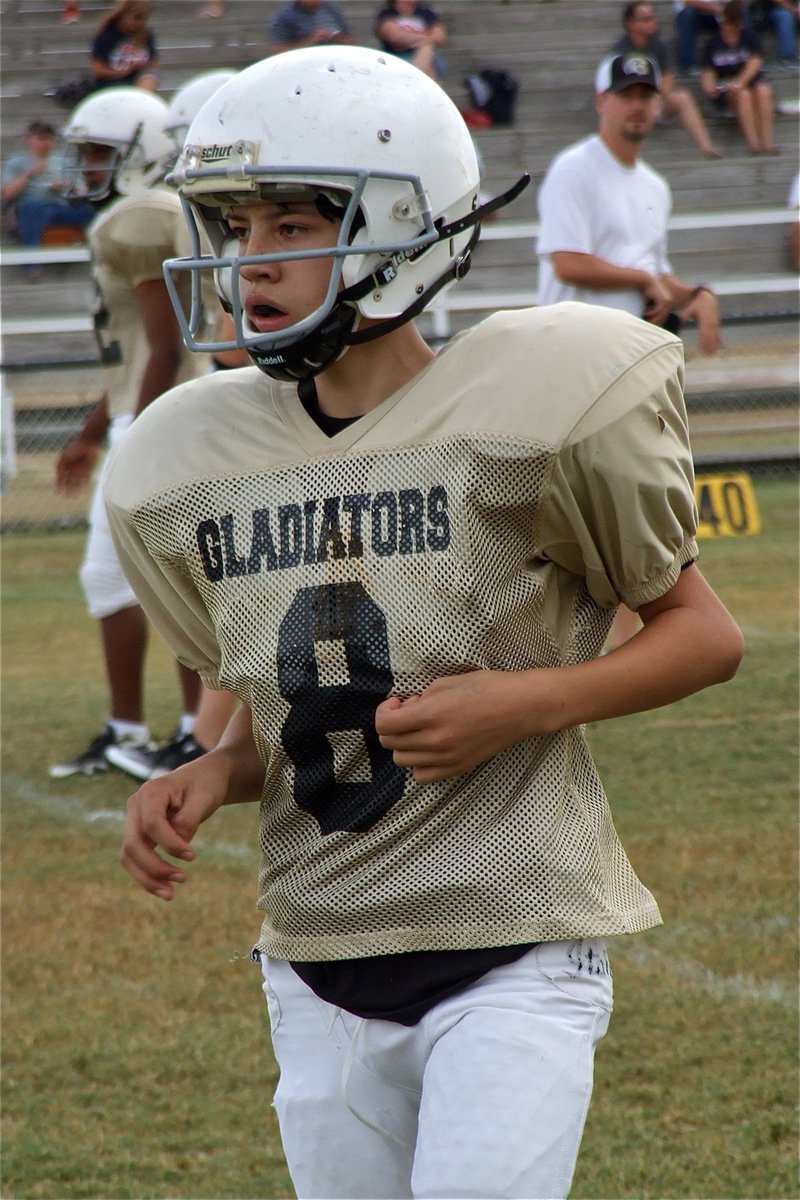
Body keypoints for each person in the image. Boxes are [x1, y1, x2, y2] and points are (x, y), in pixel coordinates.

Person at [108, 47, 743, 1200]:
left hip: (513, 942)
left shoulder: (530, 405)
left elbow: (705, 635)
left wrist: (521, 703)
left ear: (403, 227)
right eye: (238, 227)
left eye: (291, 224)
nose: (251, 260)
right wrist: (211, 770)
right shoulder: (193, 457)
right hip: (315, 958)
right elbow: (300, 714)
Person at [49, 87, 213, 780]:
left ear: (141, 155)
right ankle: (155, 731)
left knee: (140, 577)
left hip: (157, 415)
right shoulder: (130, 219)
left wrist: (135, 433)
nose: (85, 166)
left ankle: (173, 732)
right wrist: (91, 432)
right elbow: (135, 355)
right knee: (145, 577)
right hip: (141, 412)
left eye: (97, 153)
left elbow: (165, 343)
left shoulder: (143, 217)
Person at [537, 52, 722, 356]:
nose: (638, 106)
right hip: (573, 353)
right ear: (601, 101)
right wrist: (642, 279)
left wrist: (697, 295)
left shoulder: (655, 186)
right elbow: (569, 263)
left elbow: (656, 276)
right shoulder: (574, 169)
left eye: (647, 96)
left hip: (630, 357)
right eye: (626, 95)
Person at [613, 1, 723, 155]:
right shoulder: (619, 51)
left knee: (682, 97)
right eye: (646, 19)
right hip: (630, 104)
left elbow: (668, 77)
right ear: (631, 24)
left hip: (655, 101)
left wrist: (657, 96)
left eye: (653, 18)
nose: (653, 22)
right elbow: (617, 87)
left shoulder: (659, 46)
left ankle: (706, 147)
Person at [1, 120, 96, 249]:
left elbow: (82, 191)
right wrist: (29, 174)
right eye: (40, 138)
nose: (45, 142)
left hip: (60, 208)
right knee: (30, 210)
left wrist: (67, 186)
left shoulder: (65, 162)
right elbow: (7, 194)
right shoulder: (16, 163)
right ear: (29, 140)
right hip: (33, 208)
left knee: (90, 210)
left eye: (49, 138)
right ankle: (32, 264)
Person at [700, 0, 778, 152]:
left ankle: (767, 143)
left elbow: (754, 64)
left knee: (763, 91)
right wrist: (711, 87)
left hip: (747, 82)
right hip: (728, 89)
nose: (727, 27)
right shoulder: (713, 44)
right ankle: (754, 145)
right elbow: (708, 73)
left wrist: (738, 82)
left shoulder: (749, 37)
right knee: (743, 95)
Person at [90, 0, 158, 92]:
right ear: (123, 14)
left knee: (149, 80)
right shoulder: (107, 35)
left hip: (138, 79)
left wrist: (142, 66)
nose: (139, 23)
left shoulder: (146, 35)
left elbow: (154, 62)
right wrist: (123, 72)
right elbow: (98, 70)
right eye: (136, 18)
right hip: (112, 81)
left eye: (143, 18)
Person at [375, 1, 446, 80]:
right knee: (427, 55)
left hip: (427, 56)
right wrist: (424, 37)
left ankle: (414, 80)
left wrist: (411, 37)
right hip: (398, 56)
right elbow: (394, 36)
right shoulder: (388, 13)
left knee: (427, 49)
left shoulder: (426, 13)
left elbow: (439, 36)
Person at [268, 0, 351, 53]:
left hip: (333, 60)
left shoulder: (331, 9)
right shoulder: (284, 17)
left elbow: (350, 41)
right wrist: (310, 40)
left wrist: (336, 37)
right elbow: (278, 50)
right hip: (302, 64)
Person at [674, 0, 724, 71]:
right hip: (694, 12)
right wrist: (711, 7)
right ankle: (689, 65)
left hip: (717, 14)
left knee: (732, 13)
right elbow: (686, 2)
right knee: (686, 15)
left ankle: (727, 61)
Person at [750, 0, 799, 68]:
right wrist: (794, 9)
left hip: (793, 9)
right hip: (768, 12)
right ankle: (788, 59)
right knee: (785, 16)